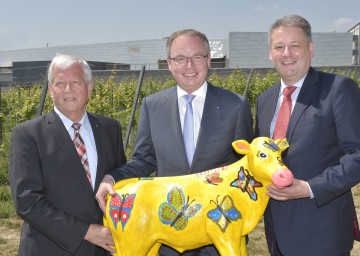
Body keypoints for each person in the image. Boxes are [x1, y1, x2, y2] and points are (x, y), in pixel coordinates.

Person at [96, 29, 254, 256]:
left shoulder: (235, 106)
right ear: (169, 63)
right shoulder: (152, 106)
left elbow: (244, 169)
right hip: (169, 235)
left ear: (209, 60)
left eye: (197, 57)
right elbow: (143, 160)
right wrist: (112, 178)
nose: (189, 66)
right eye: (180, 58)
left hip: (218, 235)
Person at [255, 14, 360, 256]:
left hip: (322, 231)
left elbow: (357, 155)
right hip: (276, 234)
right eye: (279, 47)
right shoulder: (265, 101)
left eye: (295, 45)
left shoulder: (338, 89)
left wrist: (309, 187)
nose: (287, 53)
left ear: (310, 48)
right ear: (271, 54)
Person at [9, 53, 127, 256]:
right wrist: (86, 232)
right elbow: (27, 201)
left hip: (104, 249)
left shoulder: (110, 128)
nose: (67, 89)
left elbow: (122, 182)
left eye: (75, 82)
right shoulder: (28, 135)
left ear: (89, 88)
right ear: (50, 89)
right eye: (60, 83)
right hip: (49, 249)